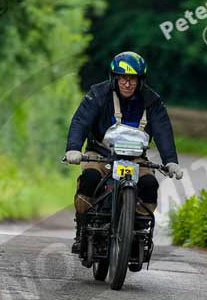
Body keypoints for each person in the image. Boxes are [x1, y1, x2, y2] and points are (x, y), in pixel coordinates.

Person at [65, 51, 183, 252]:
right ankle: (83, 229)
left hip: (136, 158)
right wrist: (74, 149)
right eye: (123, 78)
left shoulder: (152, 102)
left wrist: (170, 160)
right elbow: (80, 121)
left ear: (140, 80)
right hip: (100, 154)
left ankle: (138, 232)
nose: (128, 84)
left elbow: (163, 131)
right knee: (90, 179)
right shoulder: (98, 94)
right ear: (115, 78)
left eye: (133, 79)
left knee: (148, 183)